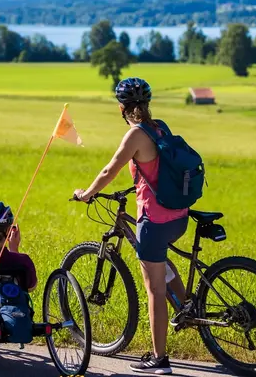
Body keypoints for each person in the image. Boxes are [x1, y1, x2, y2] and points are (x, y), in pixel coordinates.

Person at [73, 77, 189, 375]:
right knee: (159, 261)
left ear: (121, 108)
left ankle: (159, 359)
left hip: (155, 221)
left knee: (153, 289)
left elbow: (109, 169)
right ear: (147, 105)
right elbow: (156, 169)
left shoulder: (135, 135)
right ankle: (188, 307)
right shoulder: (159, 126)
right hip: (178, 216)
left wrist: (87, 194)